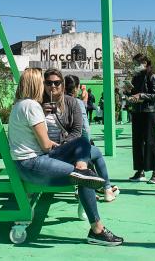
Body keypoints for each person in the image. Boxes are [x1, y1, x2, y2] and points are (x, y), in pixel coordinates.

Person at [9, 68, 123, 246]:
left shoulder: (20, 104)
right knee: (84, 176)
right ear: (35, 83)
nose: (47, 86)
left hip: (32, 161)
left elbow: (73, 132)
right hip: (33, 164)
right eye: (44, 82)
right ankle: (97, 230)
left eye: (54, 83)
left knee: (83, 144)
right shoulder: (32, 106)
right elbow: (46, 145)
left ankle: (82, 168)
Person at [42, 69, 118, 202]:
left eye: (56, 83)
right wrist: (41, 113)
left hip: (66, 146)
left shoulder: (72, 103)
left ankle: (106, 189)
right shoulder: (38, 103)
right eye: (49, 83)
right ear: (44, 84)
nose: (52, 86)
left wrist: (65, 145)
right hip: (46, 149)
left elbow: (77, 130)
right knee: (86, 158)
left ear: (62, 85)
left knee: (95, 152)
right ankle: (98, 189)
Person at [127, 54, 155, 185]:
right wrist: (128, 92)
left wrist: (141, 95)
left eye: (137, 63)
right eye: (134, 63)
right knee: (137, 141)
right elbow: (133, 94)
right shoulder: (135, 77)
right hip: (137, 112)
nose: (135, 66)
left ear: (145, 63)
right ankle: (140, 171)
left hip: (148, 112)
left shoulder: (152, 76)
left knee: (150, 141)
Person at [64, 74, 91, 141]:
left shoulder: (57, 101)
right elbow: (85, 128)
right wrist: (87, 142)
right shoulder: (77, 102)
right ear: (76, 88)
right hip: (73, 141)